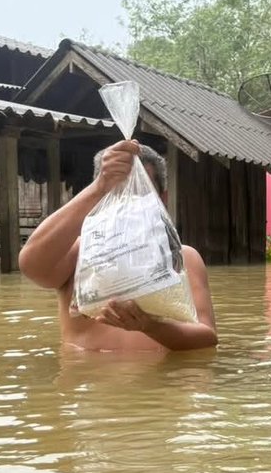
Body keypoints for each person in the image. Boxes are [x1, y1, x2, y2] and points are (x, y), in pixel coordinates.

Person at [19, 140, 218, 352]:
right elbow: (31, 265)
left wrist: (149, 326)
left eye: (140, 192)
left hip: (162, 384)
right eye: (115, 192)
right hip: (90, 382)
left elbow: (206, 337)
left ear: (162, 199)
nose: (127, 203)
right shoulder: (80, 254)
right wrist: (100, 186)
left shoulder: (184, 258)